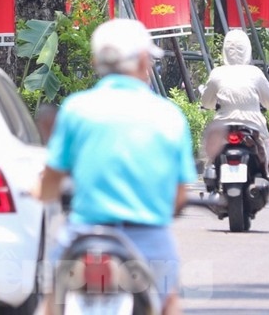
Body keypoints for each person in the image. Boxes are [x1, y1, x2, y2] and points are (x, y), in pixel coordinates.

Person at [38, 18, 197, 315]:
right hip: (148, 240)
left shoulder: (76, 108)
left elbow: (51, 182)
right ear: (140, 62)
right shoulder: (169, 116)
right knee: (169, 304)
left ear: (96, 61)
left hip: (82, 236)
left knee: (51, 303)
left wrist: (39, 193)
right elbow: (178, 195)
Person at [200, 29, 269, 176]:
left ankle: (211, 177)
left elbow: (206, 102)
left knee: (210, 158)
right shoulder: (255, 73)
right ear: (247, 50)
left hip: (222, 126)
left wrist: (210, 105)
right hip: (253, 126)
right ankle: (265, 174)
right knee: (265, 144)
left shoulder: (217, 73)